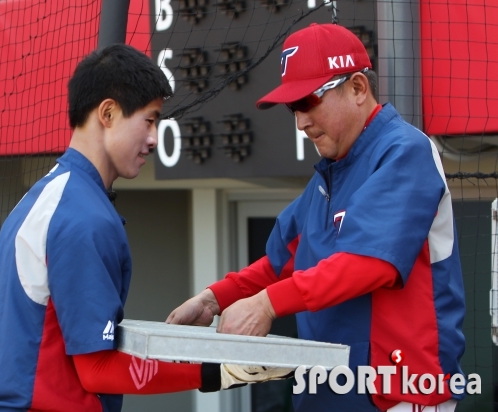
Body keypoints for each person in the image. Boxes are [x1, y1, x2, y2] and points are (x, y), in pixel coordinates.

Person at [0, 44, 293, 412]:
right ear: (107, 113)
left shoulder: (49, 196)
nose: (154, 138)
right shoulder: (84, 217)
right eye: (149, 120)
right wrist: (218, 370)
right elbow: (98, 370)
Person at [167, 23, 466, 412]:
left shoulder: (404, 150)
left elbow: (368, 264)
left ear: (358, 88)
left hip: (399, 395)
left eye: (309, 101)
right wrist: (214, 299)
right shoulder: (331, 170)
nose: (300, 121)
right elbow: (281, 262)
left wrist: (266, 306)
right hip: (329, 391)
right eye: (294, 107)